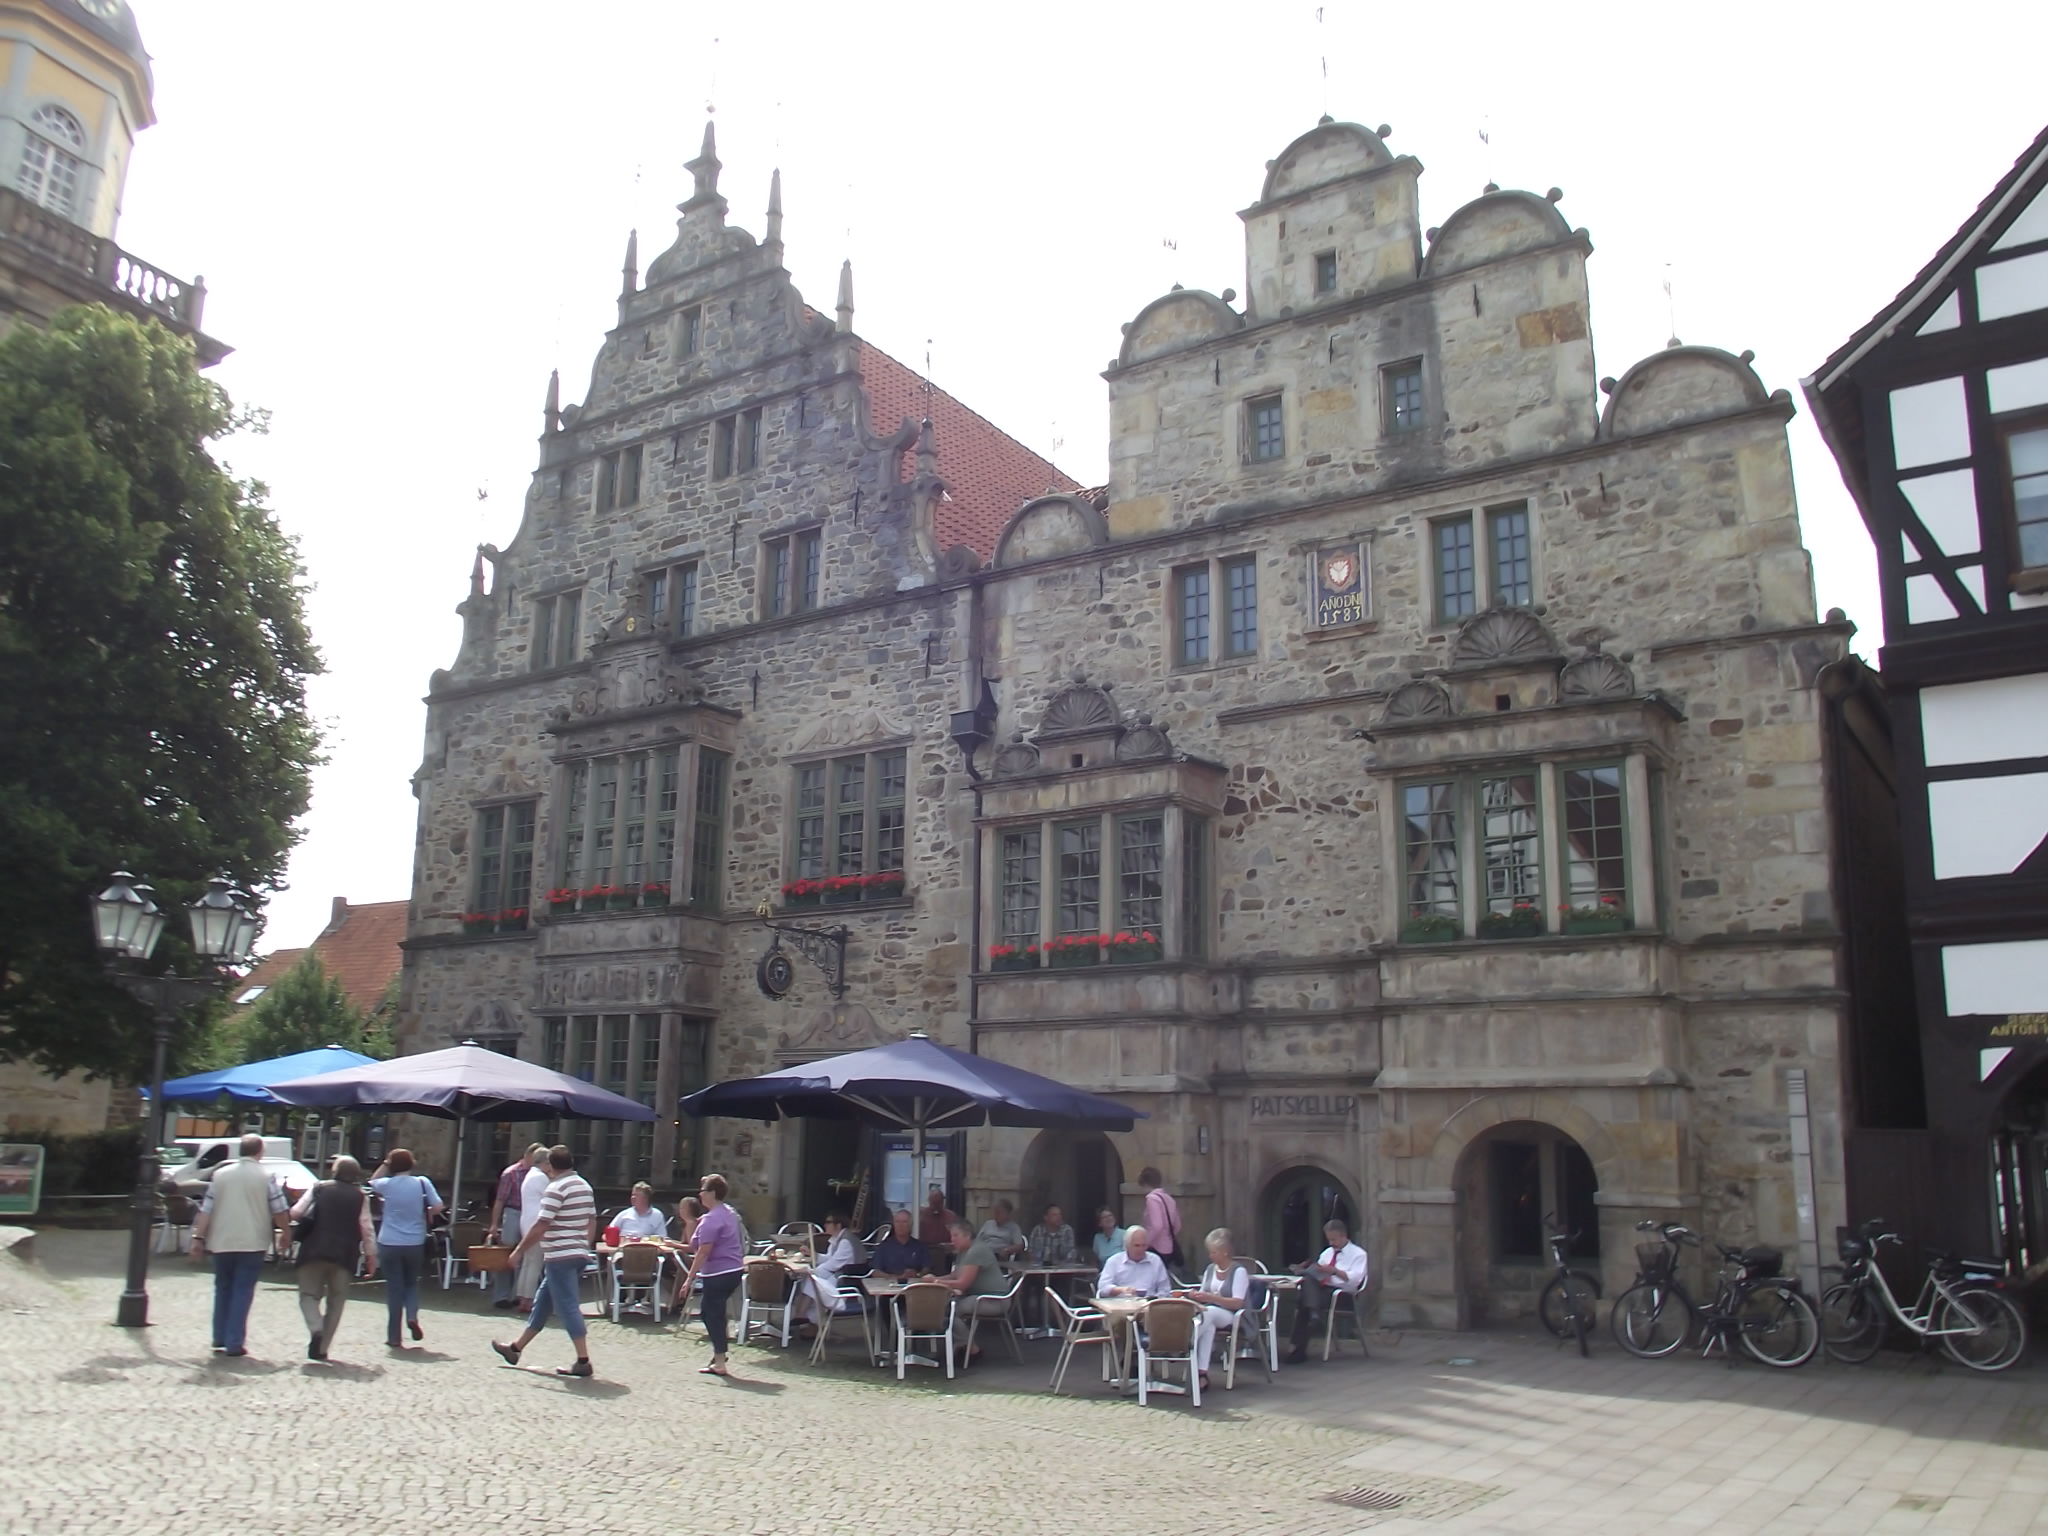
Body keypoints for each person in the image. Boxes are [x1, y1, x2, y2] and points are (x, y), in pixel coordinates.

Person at [493, 1145, 598, 1377]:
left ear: (550, 1166)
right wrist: (584, 1244)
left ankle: (583, 1360)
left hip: (560, 1255)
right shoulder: (584, 1186)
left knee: (568, 1306)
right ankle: (515, 1349)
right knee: (542, 1303)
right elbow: (592, 1219)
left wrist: (519, 1250)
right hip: (575, 1253)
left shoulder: (556, 1188)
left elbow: (542, 1225)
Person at [189, 1133, 289, 1356]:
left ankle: (219, 1336)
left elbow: (207, 1209)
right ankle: (234, 1341)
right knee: (242, 1290)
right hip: (252, 1242)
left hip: (221, 1240)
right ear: (260, 1152)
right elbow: (278, 1209)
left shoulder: (220, 1175)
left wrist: (198, 1238)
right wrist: (286, 1232)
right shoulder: (266, 1176)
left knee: (222, 1288)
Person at [290, 1155, 377, 1361]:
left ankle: (316, 1327)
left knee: (308, 1295)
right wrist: (371, 1257)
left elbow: (296, 1213)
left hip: (313, 1249)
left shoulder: (319, 1188)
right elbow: (367, 1228)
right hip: (344, 1254)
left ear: (334, 1171)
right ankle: (322, 1349)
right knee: (336, 1301)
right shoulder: (360, 1196)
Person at [368, 1148, 445, 1350]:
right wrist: (425, 1209)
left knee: (394, 1287)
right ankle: (411, 1315)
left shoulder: (388, 1184)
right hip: (414, 1241)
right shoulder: (422, 1183)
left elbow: (372, 1182)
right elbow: (438, 1207)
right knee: (411, 1283)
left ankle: (394, 1336)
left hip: (389, 1240)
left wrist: (385, 1164)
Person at [674, 1172, 746, 1376]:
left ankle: (720, 1359)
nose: (700, 1194)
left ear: (712, 1193)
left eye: (703, 1190)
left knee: (710, 1312)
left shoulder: (712, 1220)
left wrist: (689, 1278)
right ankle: (719, 1353)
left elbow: (703, 1252)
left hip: (719, 1272)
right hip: (732, 1270)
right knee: (714, 1311)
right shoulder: (728, 1212)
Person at [1286, 1217, 1368, 1363]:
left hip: (1343, 1294)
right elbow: (1319, 1273)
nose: (1331, 1244)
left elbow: (1356, 1281)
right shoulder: (1327, 1253)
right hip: (1322, 1291)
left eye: (1334, 1240)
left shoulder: (1359, 1254)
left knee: (1304, 1301)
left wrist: (1335, 1271)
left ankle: (1297, 1349)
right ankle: (1313, 1317)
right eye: (1329, 1240)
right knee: (1308, 1280)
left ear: (1344, 1236)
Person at [928, 1217, 1010, 1364]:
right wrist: (936, 1278)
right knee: (944, 1308)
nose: (952, 1240)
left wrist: (935, 1281)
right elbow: (956, 1275)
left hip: (994, 1300)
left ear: (967, 1235)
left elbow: (963, 1283)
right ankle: (961, 1347)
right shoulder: (963, 1252)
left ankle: (972, 1349)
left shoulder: (976, 1251)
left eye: (955, 1236)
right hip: (979, 1297)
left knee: (951, 1310)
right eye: (951, 1236)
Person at [1187, 1227, 1253, 1392]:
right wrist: (1196, 1296)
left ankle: (1184, 1344)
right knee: (1208, 1325)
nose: (1210, 1256)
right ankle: (1202, 1374)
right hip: (1210, 1313)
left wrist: (1211, 1298)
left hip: (1234, 1315)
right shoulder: (1210, 1269)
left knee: (1208, 1313)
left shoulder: (1239, 1271)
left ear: (1224, 1252)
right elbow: (1204, 1292)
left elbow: (1237, 1303)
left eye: (1213, 1252)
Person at [486, 1143, 542, 1310]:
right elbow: (500, 1200)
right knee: (507, 1254)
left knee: (526, 1255)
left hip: (530, 1213)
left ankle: (518, 1295)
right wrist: (494, 1224)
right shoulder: (511, 1173)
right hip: (513, 1213)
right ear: (528, 1156)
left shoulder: (538, 1174)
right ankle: (501, 1296)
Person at [793, 1211, 864, 1335]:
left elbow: (833, 1264)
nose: (825, 1225)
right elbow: (830, 1259)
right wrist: (812, 1254)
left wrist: (811, 1271)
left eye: (828, 1222)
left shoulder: (845, 1242)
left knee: (815, 1280)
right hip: (838, 1277)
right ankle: (808, 1321)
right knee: (814, 1281)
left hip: (847, 1283)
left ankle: (805, 1317)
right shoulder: (837, 1239)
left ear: (838, 1225)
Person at [513, 1147, 552, 1310]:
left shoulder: (530, 1175)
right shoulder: (540, 1178)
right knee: (534, 1263)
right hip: (536, 1223)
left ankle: (522, 1296)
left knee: (528, 1262)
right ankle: (528, 1299)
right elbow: (552, 1195)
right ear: (545, 1162)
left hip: (526, 1221)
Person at [1096, 1225, 1173, 1299]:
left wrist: (1155, 1299)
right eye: (1137, 1245)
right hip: (1121, 1306)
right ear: (1127, 1245)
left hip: (1149, 1306)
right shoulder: (1114, 1261)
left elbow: (1165, 1289)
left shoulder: (1155, 1260)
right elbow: (1103, 1287)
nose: (1140, 1249)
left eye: (1144, 1245)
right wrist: (1121, 1290)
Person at [1139, 1167, 1184, 1279]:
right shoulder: (1168, 1198)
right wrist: (1167, 1236)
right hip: (1169, 1246)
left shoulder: (1152, 1199)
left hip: (1156, 1247)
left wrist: (1146, 1242)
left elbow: (1157, 1225)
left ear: (1145, 1183)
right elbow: (1177, 1225)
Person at [870, 1208, 926, 1278]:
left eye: (904, 1222)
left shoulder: (919, 1246)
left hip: (913, 1285)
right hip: (888, 1285)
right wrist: (898, 1277)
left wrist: (917, 1275)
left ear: (910, 1225)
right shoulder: (884, 1246)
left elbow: (926, 1268)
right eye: (897, 1222)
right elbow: (875, 1272)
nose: (900, 1225)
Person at [976, 1198, 1027, 1263]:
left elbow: (1019, 1245)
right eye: (995, 1212)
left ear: (1007, 1214)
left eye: (999, 1212)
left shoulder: (1013, 1227)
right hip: (984, 1253)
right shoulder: (988, 1224)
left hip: (999, 1255)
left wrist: (1007, 1250)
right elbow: (978, 1240)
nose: (996, 1215)